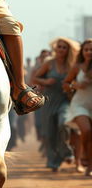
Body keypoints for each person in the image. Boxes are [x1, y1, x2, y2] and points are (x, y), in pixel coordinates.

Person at [34, 37, 80, 172]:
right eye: (59, 46)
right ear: (55, 48)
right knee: (49, 133)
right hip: (48, 100)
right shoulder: (49, 63)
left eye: (64, 47)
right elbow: (36, 78)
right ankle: (53, 161)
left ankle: (67, 152)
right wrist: (46, 82)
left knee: (63, 123)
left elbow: (75, 82)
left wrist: (71, 87)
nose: (61, 49)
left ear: (68, 50)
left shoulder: (71, 65)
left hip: (64, 100)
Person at [63, 39, 92, 176]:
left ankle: (89, 166)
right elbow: (66, 84)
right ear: (82, 51)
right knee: (86, 130)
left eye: (91, 50)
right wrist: (76, 85)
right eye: (86, 49)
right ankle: (84, 156)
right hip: (80, 104)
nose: (89, 52)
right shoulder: (77, 67)